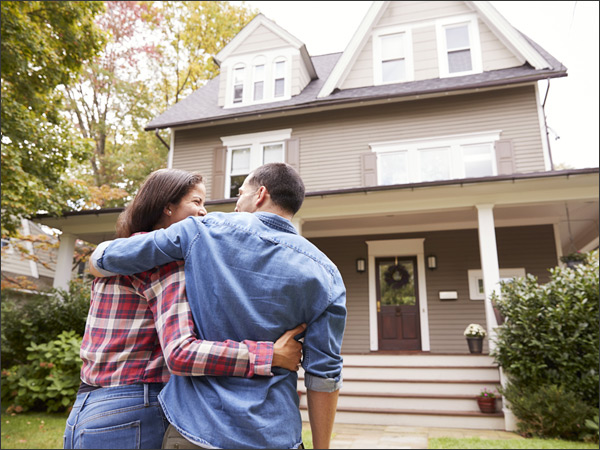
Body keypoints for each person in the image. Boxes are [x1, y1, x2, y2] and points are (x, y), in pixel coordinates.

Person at [91, 162, 346, 449]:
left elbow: (109, 257)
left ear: (259, 194)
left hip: (197, 430)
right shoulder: (327, 274)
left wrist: (96, 258)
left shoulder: (202, 230)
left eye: (240, 194)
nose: (236, 205)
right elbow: (324, 375)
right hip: (275, 434)